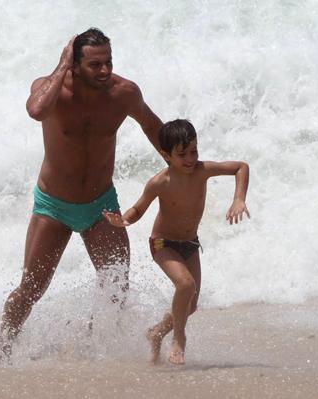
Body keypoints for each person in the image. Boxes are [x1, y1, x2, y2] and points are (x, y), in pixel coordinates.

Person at [0, 28, 164, 361]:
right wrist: (60, 65)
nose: (105, 71)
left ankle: (90, 345)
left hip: (101, 206)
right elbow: (36, 111)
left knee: (117, 289)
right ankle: (2, 348)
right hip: (53, 207)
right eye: (95, 64)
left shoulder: (123, 93)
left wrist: (183, 169)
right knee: (31, 290)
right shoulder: (51, 90)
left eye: (108, 62)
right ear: (74, 64)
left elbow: (153, 127)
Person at [102, 119, 250, 365]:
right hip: (163, 243)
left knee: (189, 306)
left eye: (193, 151)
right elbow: (139, 208)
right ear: (166, 155)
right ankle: (179, 337)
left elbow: (241, 167)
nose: (190, 159)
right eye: (182, 154)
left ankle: (156, 332)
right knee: (185, 285)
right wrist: (123, 220)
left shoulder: (203, 170)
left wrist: (238, 199)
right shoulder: (161, 182)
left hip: (190, 244)